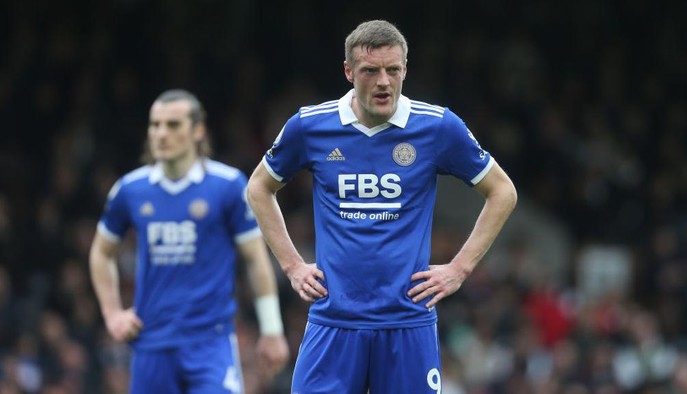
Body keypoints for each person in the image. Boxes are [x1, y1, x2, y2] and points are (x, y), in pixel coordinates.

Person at [247, 19, 518, 393]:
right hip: (333, 320)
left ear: (406, 68)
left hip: (408, 321)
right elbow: (259, 188)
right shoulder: (310, 126)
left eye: (393, 70)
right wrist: (292, 266)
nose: (384, 82)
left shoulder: (437, 127)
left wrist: (459, 268)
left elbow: (502, 191)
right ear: (348, 71)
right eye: (370, 71)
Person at [89, 89, 289, 393]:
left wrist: (272, 329)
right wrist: (112, 313)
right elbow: (102, 253)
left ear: (197, 130)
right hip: (151, 343)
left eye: (172, 125)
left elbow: (255, 258)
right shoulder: (130, 190)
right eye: (155, 125)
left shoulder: (227, 186)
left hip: (211, 342)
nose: (161, 134)